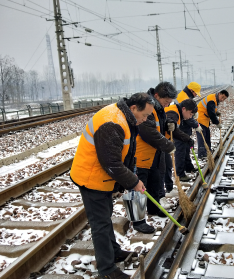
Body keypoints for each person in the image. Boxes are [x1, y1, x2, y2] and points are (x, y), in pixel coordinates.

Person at [70, 93, 154, 279]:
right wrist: (133, 182)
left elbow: (122, 153)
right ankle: (107, 270)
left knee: (105, 216)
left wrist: (131, 174)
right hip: (91, 178)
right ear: (133, 108)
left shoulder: (123, 117)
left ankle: (113, 251)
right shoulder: (113, 123)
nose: (145, 119)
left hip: (102, 178)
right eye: (145, 115)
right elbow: (111, 163)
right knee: (100, 223)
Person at [135, 81, 177, 233]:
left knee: (154, 182)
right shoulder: (146, 107)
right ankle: (138, 221)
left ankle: (153, 208)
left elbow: (160, 125)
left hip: (153, 154)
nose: (167, 105)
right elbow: (148, 132)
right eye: (166, 102)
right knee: (138, 188)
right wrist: (168, 146)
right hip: (140, 155)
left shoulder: (158, 108)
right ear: (157, 96)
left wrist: (171, 123)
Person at [164, 82, 201, 188]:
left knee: (168, 164)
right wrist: (194, 125)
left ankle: (170, 186)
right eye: (190, 114)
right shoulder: (175, 112)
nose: (190, 117)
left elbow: (175, 128)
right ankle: (172, 184)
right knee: (166, 165)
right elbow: (173, 127)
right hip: (161, 142)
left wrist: (187, 138)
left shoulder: (180, 111)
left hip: (166, 139)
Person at [196, 89, 229, 159]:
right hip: (200, 118)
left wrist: (216, 112)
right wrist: (217, 123)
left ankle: (208, 151)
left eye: (224, 99)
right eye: (222, 97)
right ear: (219, 94)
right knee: (202, 137)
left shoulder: (215, 99)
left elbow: (211, 109)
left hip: (204, 119)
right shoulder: (212, 99)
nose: (222, 99)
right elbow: (211, 113)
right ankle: (201, 154)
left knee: (207, 135)